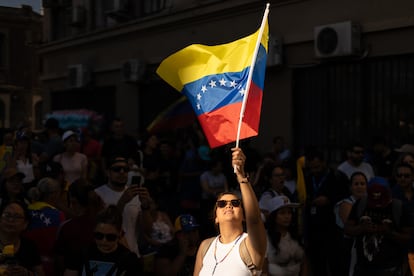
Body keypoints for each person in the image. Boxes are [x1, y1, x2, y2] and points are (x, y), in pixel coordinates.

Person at [194, 147, 267, 275]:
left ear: (244, 216)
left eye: (235, 203)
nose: (228, 206)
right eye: (221, 204)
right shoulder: (205, 247)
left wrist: (241, 176)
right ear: (215, 217)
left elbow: (255, 220)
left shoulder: (248, 244)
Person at [344, 177, 413, 276]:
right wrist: (361, 228)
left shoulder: (398, 207)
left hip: (390, 269)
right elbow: (347, 229)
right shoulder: (361, 203)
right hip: (362, 268)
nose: (378, 205)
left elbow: (408, 238)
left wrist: (390, 232)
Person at [93, 156, 152, 257]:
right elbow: (103, 225)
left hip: (131, 254)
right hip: (106, 254)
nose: (122, 172)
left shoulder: (135, 194)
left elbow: (148, 230)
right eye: (117, 169)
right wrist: (122, 202)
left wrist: (145, 207)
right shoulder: (97, 194)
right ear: (108, 172)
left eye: (125, 169)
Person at [303, 148, 348, 276]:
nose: (315, 171)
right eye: (312, 168)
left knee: (336, 265)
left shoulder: (337, 177)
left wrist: (329, 200)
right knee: (318, 266)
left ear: (323, 163)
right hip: (314, 229)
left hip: (332, 229)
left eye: (317, 167)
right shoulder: (308, 178)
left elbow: (344, 197)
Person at [63, 205, 143, 276]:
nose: (104, 241)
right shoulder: (80, 253)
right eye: (99, 236)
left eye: (110, 237)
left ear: (120, 233)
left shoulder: (129, 260)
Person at [24, 177, 66, 276]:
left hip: (25, 264)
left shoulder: (25, 211)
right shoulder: (59, 216)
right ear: (53, 194)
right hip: (48, 267)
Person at [333, 171, 368, 276]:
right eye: (356, 184)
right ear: (350, 187)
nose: (359, 187)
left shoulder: (368, 202)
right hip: (347, 248)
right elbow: (350, 228)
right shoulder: (346, 204)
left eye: (362, 184)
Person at [263, 195, 307, 276]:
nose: (287, 216)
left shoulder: (296, 235)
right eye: (282, 213)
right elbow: (264, 269)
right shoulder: (265, 238)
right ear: (273, 216)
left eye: (289, 212)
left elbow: (304, 263)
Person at [0, 200, 45, 276]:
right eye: (7, 215)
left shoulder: (29, 246)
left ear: (25, 224)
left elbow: (41, 274)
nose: (11, 220)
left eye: (17, 217)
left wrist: (26, 273)